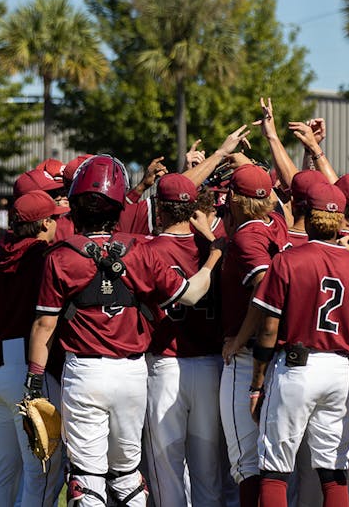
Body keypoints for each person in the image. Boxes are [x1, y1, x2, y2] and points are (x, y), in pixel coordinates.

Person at [26, 155, 223, 507]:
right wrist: (212, 258)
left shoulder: (60, 256)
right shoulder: (141, 250)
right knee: (128, 476)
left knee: (87, 480)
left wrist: (35, 379)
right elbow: (191, 294)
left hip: (84, 372)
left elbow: (44, 325)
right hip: (133, 373)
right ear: (118, 206)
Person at [249, 182, 349, 507]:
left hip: (297, 365)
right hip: (338, 369)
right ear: (340, 222)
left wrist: (257, 384)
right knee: (334, 471)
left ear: (306, 215)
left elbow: (268, 328)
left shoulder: (288, 260)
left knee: (275, 469)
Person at [0, 190, 65, 507]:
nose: (58, 224)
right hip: (29, 371)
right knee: (41, 473)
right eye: (55, 218)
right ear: (45, 222)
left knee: (3, 469)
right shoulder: (47, 257)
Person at [142, 173, 225, 506]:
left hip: (165, 363)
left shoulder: (147, 249)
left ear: (160, 209)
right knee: (209, 472)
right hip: (211, 366)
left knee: (166, 469)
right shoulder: (217, 248)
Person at [218, 162, 290, 507]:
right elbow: (276, 202)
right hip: (277, 356)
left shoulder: (247, 235)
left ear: (233, 197)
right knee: (271, 461)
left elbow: (263, 286)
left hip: (248, 355)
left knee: (246, 462)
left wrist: (240, 336)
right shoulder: (276, 222)